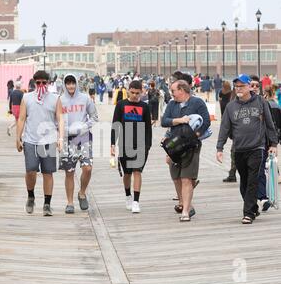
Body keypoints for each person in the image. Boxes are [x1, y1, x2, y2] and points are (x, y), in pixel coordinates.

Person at [216, 74, 278, 225]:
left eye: (241, 86)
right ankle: (253, 206)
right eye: (236, 86)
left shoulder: (261, 102)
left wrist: (274, 144)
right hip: (239, 149)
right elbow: (224, 128)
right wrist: (219, 147)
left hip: (257, 147)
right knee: (244, 181)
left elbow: (270, 124)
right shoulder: (231, 106)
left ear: (250, 87)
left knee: (253, 180)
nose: (238, 89)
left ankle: (248, 213)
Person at [16, 71, 64, 217]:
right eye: (38, 83)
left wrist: (60, 138)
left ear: (48, 83)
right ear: (34, 83)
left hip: (48, 140)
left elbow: (60, 119)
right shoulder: (27, 97)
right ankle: (31, 196)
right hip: (30, 139)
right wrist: (18, 137)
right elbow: (22, 118)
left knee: (47, 173)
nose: (41, 85)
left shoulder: (55, 98)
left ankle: (47, 204)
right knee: (31, 170)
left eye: (44, 82)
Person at [162, 80, 211, 222]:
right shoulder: (172, 104)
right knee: (176, 177)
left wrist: (194, 136)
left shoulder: (197, 103)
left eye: (173, 91)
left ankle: (185, 211)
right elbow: (164, 121)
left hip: (191, 146)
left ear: (182, 90)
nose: (172, 94)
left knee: (186, 178)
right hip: (173, 145)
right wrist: (180, 120)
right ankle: (186, 204)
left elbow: (206, 122)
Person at [59, 74, 99, 214]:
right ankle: (69, 203)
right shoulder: (60, 100)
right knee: (69, 172)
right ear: (64, 84)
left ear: (76, 83)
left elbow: (95, 117)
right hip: (66, 139)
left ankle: (82, 193)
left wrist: (84, 126)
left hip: (83, 137)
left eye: (73, 83)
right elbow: (55, 120)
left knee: (87, 168)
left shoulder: (85, 98)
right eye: (68, 83)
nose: (71, 86)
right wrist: (61, 132)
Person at [111, 80, 152, 214]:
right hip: (124, 142)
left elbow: (148, 128)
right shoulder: (121, 105)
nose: (135, 95)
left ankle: (136, 201)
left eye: (137, 93)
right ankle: (128, 195)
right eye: (132, 92)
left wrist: (147, 146)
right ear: (128, 90)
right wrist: (112, 143)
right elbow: (115, 124)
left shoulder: (145, 107)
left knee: (137, 172)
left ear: (142, 92)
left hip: (140, 143)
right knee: (127, 173)